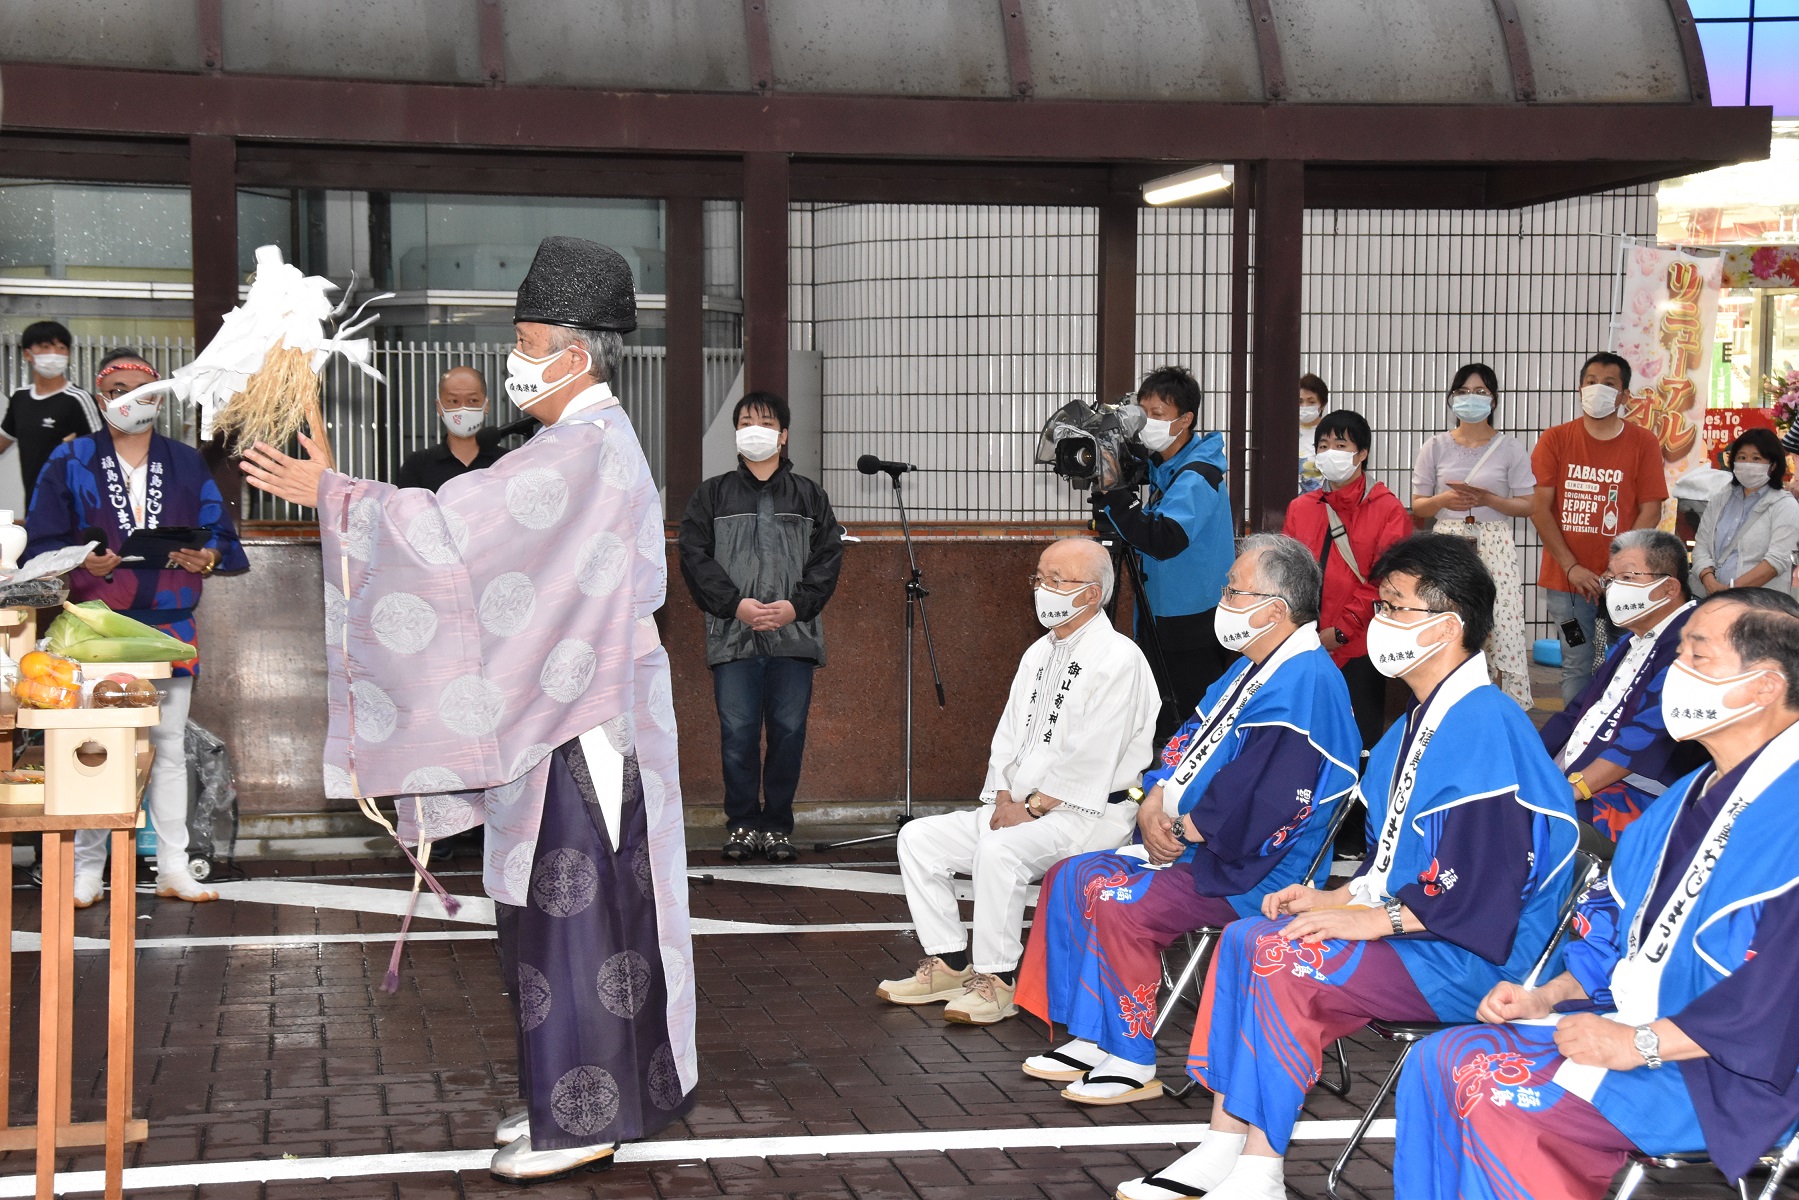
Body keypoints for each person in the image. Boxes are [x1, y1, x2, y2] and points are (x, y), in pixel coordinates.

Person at [241, 236, 696, 1183]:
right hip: (569, 708)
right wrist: (346, 487)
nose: (513, 360)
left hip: (586, 717)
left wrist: (334, 493)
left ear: (575, 352)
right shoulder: (575, 445)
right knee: (555, 910)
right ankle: (568, 1096)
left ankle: (587, 1116)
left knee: (578, 914)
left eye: (528, 339)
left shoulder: (583, 451)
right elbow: (474, 532)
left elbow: (449, 534)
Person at [1117, 534, 1580, 1200]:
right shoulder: (1425, 717)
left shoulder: (1486, 727)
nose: (1377, 621)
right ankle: (1224, 1140)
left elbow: (1480, 893)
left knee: (1282, 960)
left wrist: (1366, 919)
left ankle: (1259, 1168)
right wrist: (1336, 897)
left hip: (1475, 958)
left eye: (1394, 606)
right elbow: (1399, 860)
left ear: (1447, 626)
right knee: (1250, 940)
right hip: (1427, 930)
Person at [1396, 588, 1799, 1200]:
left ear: (1766, 686)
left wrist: (1640, 1042)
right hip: (1648, 1028)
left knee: (1496, 1092)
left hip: (1734, 1071)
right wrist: (1549, 995)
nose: (1676, 673)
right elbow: (1614, 922)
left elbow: (1777, 995)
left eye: (1698, 656)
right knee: (1439, 1059)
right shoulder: (1688, 795)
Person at [1013, 535, 1360, 1106]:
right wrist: (1151, 798)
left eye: (1232, 589)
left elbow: (1272, 796)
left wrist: (1184, 828)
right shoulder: (1254, 668)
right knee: (1071, 876)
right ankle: (1094, 1033)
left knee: (1120, 900)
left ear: (1274, 608)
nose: (1221, 599)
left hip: (1256, 870)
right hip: (1192, 838)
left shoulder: (1306, 680)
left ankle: (1131, 1053)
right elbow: (1187, 739)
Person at [879, 537, 1158, 1026]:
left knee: (1000, 851)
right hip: (1025, 806)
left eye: (1055, 581)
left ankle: (999, 978)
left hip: (1087, 816)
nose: (1041, 589)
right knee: (917, 838)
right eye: (1039, 579)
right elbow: (1008, 735)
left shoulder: (1120, 657)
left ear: (1091, 594)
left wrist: (1030, 808)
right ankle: (950, 963)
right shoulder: (1039, 652)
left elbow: (1095, 752)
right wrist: (1004, 796)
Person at [24, 349, 248, 906]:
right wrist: (80, 558)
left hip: (167, 625)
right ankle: (86, 869)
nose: (131, 400)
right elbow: (39, 542)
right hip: (95, 625)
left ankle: (173, 865)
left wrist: (207, 558)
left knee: (169, 744)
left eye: (143, 391)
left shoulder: (186, 462)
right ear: (101, 399)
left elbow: (222, 536)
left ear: (158, 399)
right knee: (95, 745)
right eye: (119, 389)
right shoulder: (69, 458)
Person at [677, 390, 844, 864]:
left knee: (789, 731)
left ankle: (777, 827)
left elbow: (828, 558)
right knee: (739, 732)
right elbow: (694, 556)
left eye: (766, 422)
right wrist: (734, 605)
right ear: (735, 433)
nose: (756, 429)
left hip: (795, 636)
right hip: (734, 634)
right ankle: (744, 823)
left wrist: (797, 606)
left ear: (783, 435)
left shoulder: (809, 495)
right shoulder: (711, 494)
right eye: (746, 421)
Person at [1092, 366, 1235, 741]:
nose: (1147, 422)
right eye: (1143, 413)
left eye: (1158, 414)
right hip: (1162, 615)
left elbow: (1165, 538)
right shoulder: (1165, 467)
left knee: (1189, 723)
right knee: (1159, 718)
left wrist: (1117, 500)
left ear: (1185, 419)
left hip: (1191, 621)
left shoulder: (1199, 473)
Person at [1540, 530, 1704, 840]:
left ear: (1669, 587)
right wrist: (1531, 764)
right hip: (1581, 774)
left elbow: (1648, 734)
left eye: (1628, 577)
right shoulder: (1634, 639)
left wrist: (1571, 789)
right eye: (1611, 578)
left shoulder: (1694, 642)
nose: (1615, 589)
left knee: (1526, 828)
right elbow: (1577, 711)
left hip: (1636, 790)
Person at [1531, 352, 1669, 703]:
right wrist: (1572, 567)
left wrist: (1617, 568)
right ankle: (1573, 744)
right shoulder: (1555, 439)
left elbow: (1651, 507)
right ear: (1580, 388)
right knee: (1575, 660)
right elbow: (1540, 508)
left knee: (1627, 657)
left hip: (1625, 583)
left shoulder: (1643, 443)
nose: (1597, 389)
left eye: (1609, 384)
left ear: (1624, 396)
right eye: (1591, 381)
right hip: (1566, 587)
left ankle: (1614, 738)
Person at [1281, 410, 1412, 752]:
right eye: (1322, 445)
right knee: (1303, 737)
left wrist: (1341, 631)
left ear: (1362, 453)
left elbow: (1386, 580)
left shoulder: (1388, 510)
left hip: (1359, 646)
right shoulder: (1301, 508)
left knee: (1358, 739)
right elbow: (1287, 572)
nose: (1330, 452)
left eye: (1340, 444)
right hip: (1304, 642)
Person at [1411, 363, 1536, 709]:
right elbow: (1419, 506)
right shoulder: (1434, 446)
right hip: (1448, 544)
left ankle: (1493, 707)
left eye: (1480, 392)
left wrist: (1489, 500)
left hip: (1494, 542)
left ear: (1494, 400)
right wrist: (1446, 501)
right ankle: (1442, 701)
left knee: (1497, 625)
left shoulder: (1510, 448)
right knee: (1448, 619)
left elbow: (1528, 505)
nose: (1471, 399)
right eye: (1463, 392)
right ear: (1452, 399)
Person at [2, 320, 102, 507]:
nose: (54, 354)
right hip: (34, 502)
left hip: (73, 504)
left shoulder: (78, 399)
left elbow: (102, 450)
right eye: (45, 347)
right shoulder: (20, 398)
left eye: (62, 348)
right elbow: (3, 440)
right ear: (27, 354)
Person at [1691, 426, 1799, 599]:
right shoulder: (1721, 499)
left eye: (1756, 459)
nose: (1748, 464)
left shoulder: (1785, 505)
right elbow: (1701, 546)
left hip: (1759, 606)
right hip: (1709, 599)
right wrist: (1709, 581)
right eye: (1742, 457)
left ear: (1773, 465)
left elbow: (1776, 561)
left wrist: (1731, 591)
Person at [394, 366, 515, 492]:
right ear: (439, 407)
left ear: (486, 406)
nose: (463, 408)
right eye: (454, 401)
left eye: (473, 400)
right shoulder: (417, 465)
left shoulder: (508, 463)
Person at [1297, 373, 1328, 495]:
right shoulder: (1285, 434)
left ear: (1322, 404)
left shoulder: (1330, 432)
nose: (1304, 406)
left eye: (1311, 402)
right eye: (1300, 401)